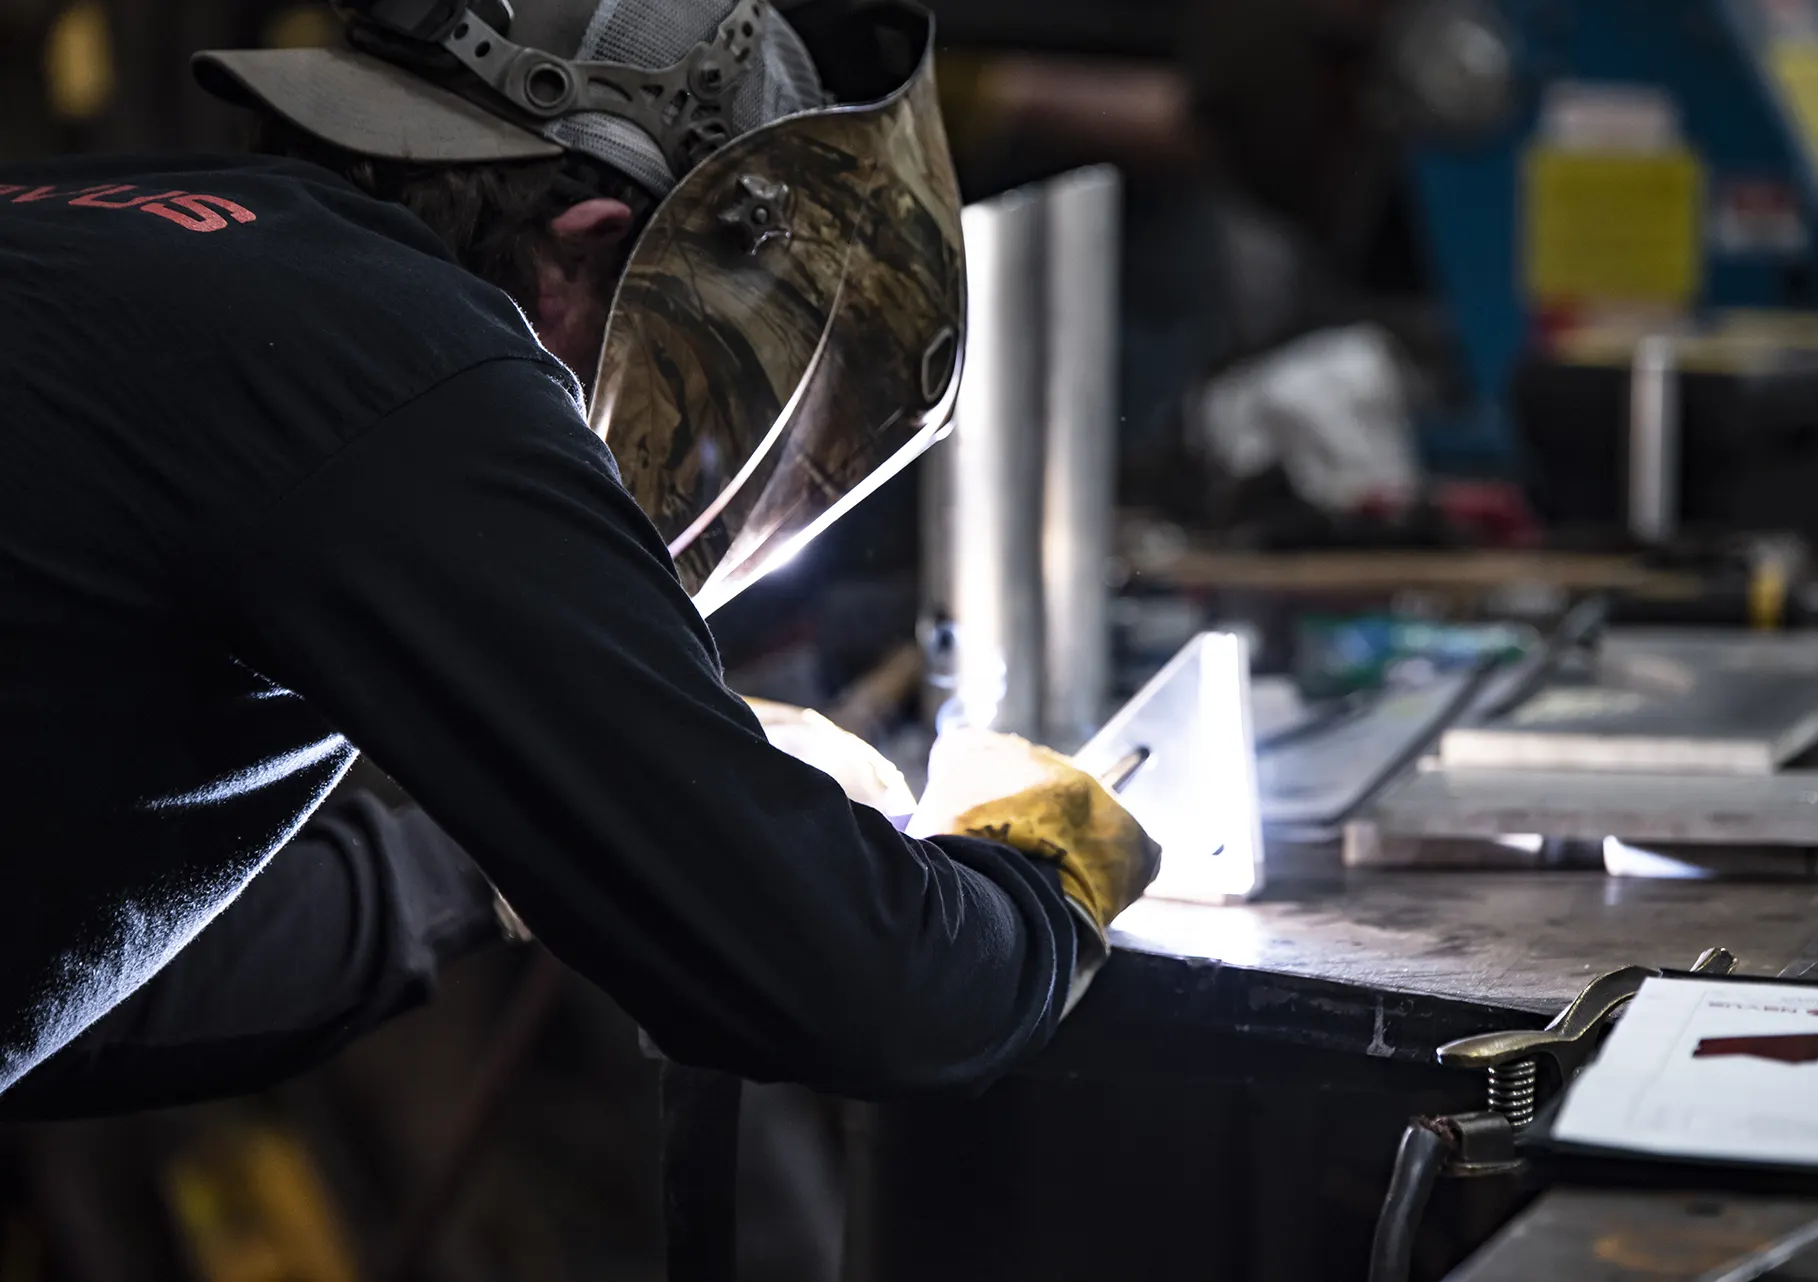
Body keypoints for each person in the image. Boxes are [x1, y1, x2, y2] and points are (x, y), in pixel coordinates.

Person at [0, 0, 1158, 1117]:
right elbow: (869, 990)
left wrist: (526, 848)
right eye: (711, 371)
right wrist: (1041, 879)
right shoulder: (417, 367)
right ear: (596, 245)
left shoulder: (157, 248)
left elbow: (86, 987)